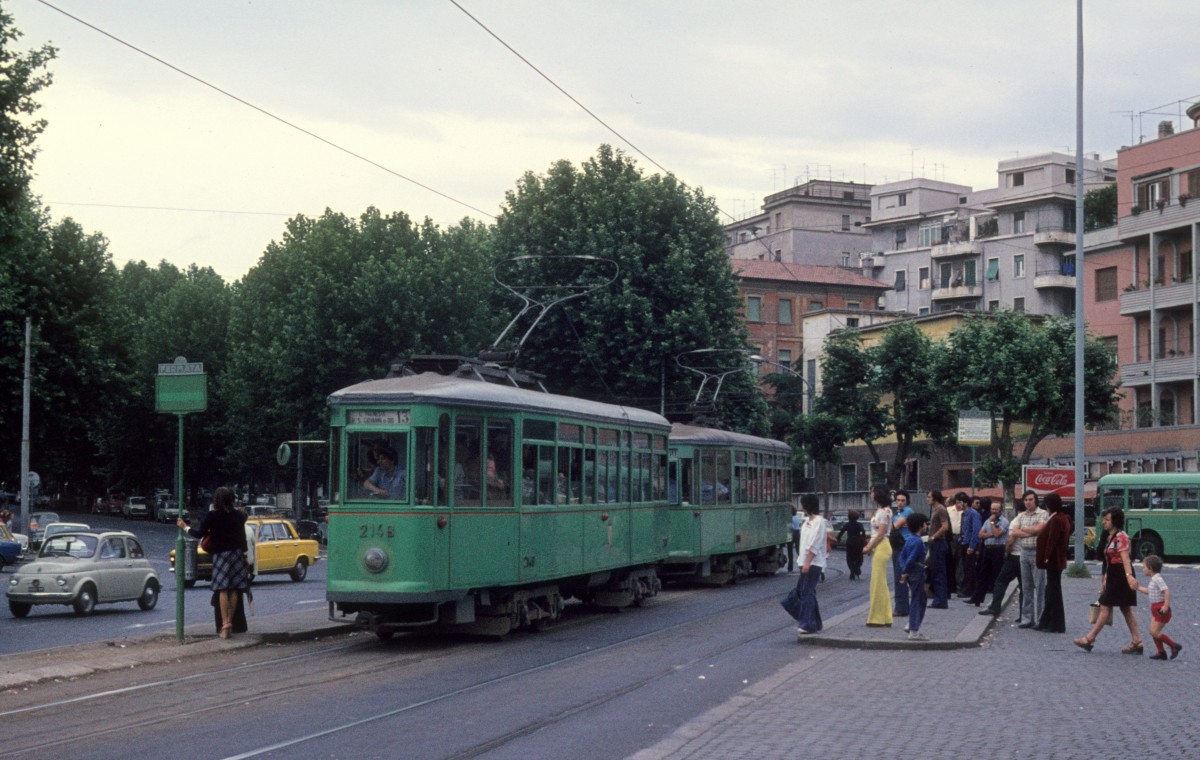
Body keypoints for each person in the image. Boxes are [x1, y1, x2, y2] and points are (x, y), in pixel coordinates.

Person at [178, 486, 249, 638]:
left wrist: (185, 527)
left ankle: (225, 624)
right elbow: (242, 538)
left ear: (216, 500)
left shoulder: (212, 516)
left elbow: (199, 534)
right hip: (236, 554)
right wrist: (244, 556)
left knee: (222, 589)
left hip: (220, 556)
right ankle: (231, 620)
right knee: (235, 589)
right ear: (231, 499)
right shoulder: (238, 515)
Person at [1074, 508, 1144, 654]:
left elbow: (1125, 558)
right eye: (1104, 519)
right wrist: (1105, 577)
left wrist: (1129, 576)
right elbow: (1108, 560)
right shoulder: (1110, 536)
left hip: (1121, 575)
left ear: (1115, 521)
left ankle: (1089, 638)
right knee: (1125, 608)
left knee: (1105, 606)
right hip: (1114, 574)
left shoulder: (1121, 537)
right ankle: (1137, 641)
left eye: (1107, 520)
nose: (1103, 522)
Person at [1010, 490, 1048, 628]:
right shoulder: (1021, 516)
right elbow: (1014, 531)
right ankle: (1027, 618)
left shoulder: (1043, 514)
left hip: (1037, 552)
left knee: (1040, 586)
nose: (1028, 502)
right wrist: (1029, 532)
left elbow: (1039, 529)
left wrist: (1023, 532)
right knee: (1026, 587)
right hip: (1024, 552)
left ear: (1035, 500)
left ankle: (1040, 618)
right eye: (1026, 500)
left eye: (1030, 499)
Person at [1132, 554, 1182, 660]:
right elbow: (1149, 592)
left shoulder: (1158, 579)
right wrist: (1138, 588)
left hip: (1161, 609)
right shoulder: (1153, 579)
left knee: (1155, 632)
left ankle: (1174, 646)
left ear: (1150, 568)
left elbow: (1167, 591)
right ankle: (1161, 652)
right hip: (1155, 608)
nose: (1143, 569)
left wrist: (1165, 606)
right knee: (1153, 631)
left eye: (1144, 567)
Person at [1035, 493, 1071, 633]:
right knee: (1051, 590)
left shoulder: (1056, 519)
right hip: (1058, 559)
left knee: (1053, 591)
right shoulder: (1064, 518)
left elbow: (1052, 540)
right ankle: (1046, 621)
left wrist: (1046, 557)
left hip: (1053, 560)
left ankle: (1055, 623)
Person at [793, 494, 828, 634]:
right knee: (808, 592)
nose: (801, 506)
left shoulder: (820, 521)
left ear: (807, 505)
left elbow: (816, 543)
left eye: (803, 503)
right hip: (804, 561)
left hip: (814, 562)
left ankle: (807, 624)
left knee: (806, 592)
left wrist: (808, 561)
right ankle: (816, 623)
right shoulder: (806, 520)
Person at [863, 485, 894, 627]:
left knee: (877, 583)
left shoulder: (882, 512)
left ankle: (877, 618)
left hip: (880, 546)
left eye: (872, 492)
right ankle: (886, 616)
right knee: (881, 583)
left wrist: (869, 546)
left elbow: (881, 533)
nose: (871, 494)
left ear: (877, 495)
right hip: (882, 546)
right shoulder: (886, 511)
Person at [969, 498, 1006, 607]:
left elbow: (998, 534)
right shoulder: (987, 520)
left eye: (996, 510)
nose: (993, 511)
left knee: (996, 575)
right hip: (987, 548)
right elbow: (980, 534)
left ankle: (995, 602)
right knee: (983, 574)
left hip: (998, 549)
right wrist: (991, 533)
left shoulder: (1004, 522)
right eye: (992, 509)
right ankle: (977, 598)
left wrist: (992, 523)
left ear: (1001, 510)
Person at [898, 513, 930, 640]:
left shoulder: (909, 540)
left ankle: (912, 624)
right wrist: (906, 571)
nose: (927, 526)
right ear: (921, 526)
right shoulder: (918, 542)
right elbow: (911, 559)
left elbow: (902, 557)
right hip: (917, 571)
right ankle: (914, 629)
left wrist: (903, 571)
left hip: (911, 572)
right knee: (917, 600)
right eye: (925, 524)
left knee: (921, 599)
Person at [890, 490, 914, 616]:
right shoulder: (898, 512)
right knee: (900, 576)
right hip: (898, 545)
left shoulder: (907, 511)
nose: (900, 503)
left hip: (904, 545)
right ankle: (902, 606)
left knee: (900, 576)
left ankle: (901, 608)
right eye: (898, 500)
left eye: (902, 500)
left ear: (907, 501)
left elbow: (894, 526)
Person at [926, 491, 950, 608]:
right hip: (935, 543)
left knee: (939, 572)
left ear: (935, 498)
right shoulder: (935, 509)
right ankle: (939, 599)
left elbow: (945, 527)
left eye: (929, 497)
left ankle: (940, 600)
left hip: (938, 543)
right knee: (935, 572)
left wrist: (934, 536)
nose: (927, 499)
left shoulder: (941, 509)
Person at [958, 493, 982, 600]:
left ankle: (968, 589)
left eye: (959, 502)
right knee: (966, 567)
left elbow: (976, 530)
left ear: (965, 503)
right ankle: (969, 588)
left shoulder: (974, 514)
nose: (958, 505)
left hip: (969, 543)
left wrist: (972, 546)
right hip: (964, 542)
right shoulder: (964, 514)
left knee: (970, 567)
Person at [837, 510, 866, 580]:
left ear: (849, 517)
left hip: (850, 542)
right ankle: (857, 568)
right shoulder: (859, 524)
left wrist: (838, 539)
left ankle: (852, 571)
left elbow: (841, 532)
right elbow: (863, 532)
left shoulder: (847, 524)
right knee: (859, 557)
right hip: (858, 542)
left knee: (849, 558)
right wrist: (862, 538)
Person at [787, 506, 801, 572]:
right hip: (798, 533)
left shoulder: (790, 518)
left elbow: (791, 527)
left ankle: (790, 567)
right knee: (798, 550)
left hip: (792, 533)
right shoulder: (797, 517)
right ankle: (802, 564)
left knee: (790, 551)